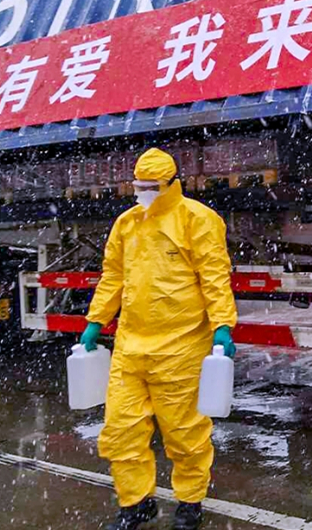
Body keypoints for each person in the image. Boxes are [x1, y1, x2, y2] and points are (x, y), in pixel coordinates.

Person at [81, 147, 237, 530]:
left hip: (181, 346)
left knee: (185, 433)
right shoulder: (127, 224)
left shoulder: (197, 220)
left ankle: (189, 502)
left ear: (170, 184)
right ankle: (135, 503)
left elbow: (214, 277)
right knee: (121, 431)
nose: (143, 192)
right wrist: (96, 321)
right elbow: (113, 276)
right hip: (130, 346)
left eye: (151, 186)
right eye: (139, 186)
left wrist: (222, 325)